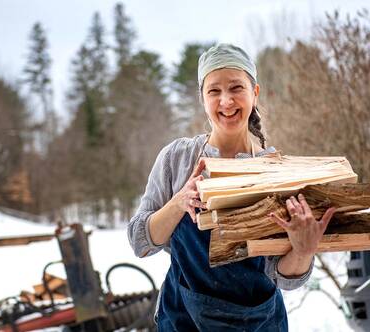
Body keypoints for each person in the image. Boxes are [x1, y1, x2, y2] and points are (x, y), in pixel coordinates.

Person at [127, 44, 336, 331]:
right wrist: (179, 203)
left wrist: (303, 249)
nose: (226, 101)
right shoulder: (177, 158)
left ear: (255, 93)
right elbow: (140, 242)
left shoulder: (274, 170)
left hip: (257, 322)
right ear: (202, 98)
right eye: (214, 91)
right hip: (184, 320)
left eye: (236, 87)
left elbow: (286, 278)